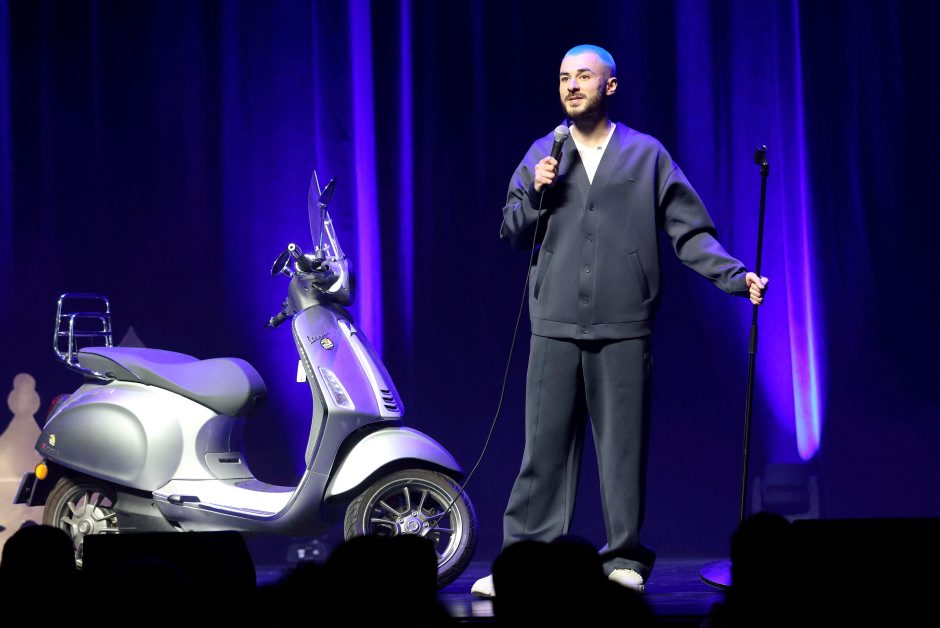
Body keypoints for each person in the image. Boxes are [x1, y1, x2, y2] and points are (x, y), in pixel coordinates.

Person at [471, 44, 768, 598]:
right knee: (542, 453)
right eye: (564, 76)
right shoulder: (543, 151)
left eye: (584, 76)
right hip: (554, 324)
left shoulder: (646, 154)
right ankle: (524, 563)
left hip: (624, 326)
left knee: (622, 450)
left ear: (609, 86)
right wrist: (536, 191)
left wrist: (734, 276)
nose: (571, 85)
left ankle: (624, 559)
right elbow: (511, 228)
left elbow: (689, 231)